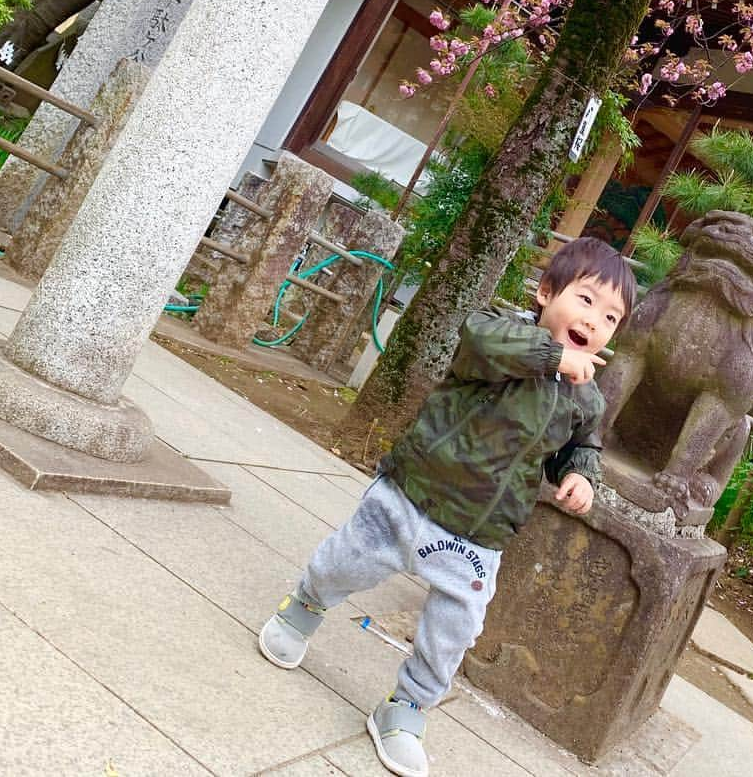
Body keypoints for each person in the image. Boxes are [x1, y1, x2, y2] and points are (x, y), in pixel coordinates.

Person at [257, 236, 636, 777]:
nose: (595, 320)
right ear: (546, 292)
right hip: (412, 494)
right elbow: (480, 342)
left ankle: (407, 708)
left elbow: (582, 442)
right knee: (349, 562)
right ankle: (304, 608)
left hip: (479, 533)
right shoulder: (498, 334)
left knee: (456, 626)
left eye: (611, 317)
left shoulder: (585, 398)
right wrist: (554, 356)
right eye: (585, 300)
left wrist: (580, 472)